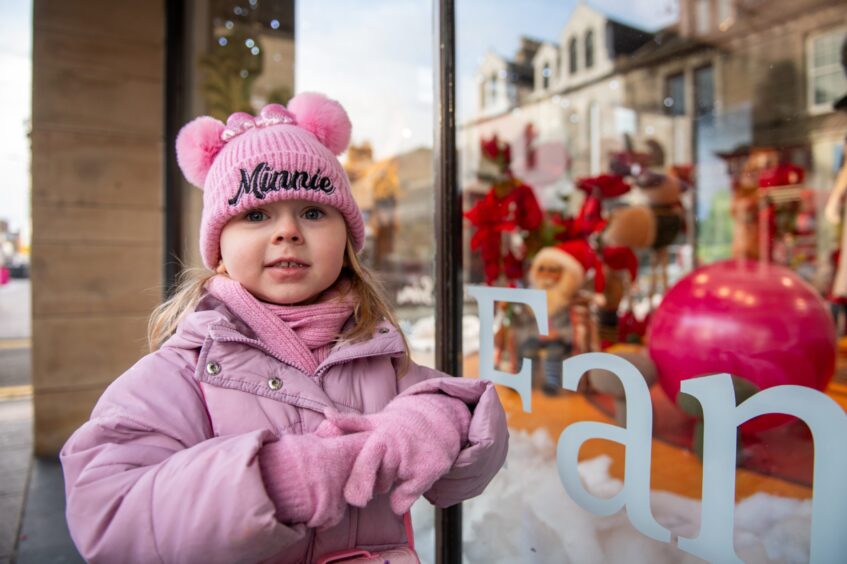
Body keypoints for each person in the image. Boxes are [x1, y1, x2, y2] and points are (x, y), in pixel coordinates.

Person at [60, 92, 509, 564]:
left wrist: (442, 417)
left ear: (346, 242)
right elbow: (108, 513)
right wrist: (276, 483)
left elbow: (476, 440)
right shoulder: (184, 373)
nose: (288, 231)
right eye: (256, 215)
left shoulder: (378, 358)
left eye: (313, 212)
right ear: (219, 250)